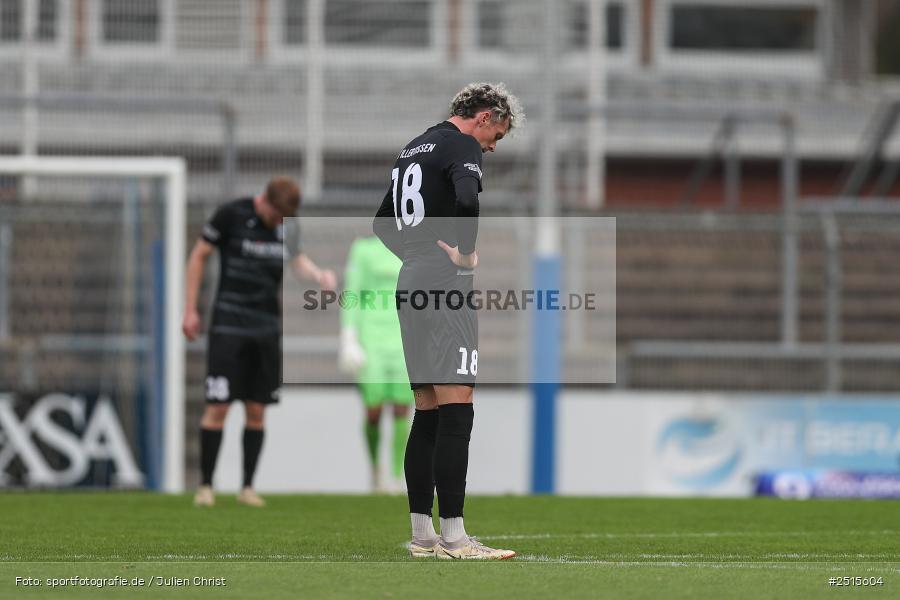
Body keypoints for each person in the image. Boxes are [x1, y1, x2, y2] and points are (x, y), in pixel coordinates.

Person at [373, 82, 523, 559]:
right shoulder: (459, 144)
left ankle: (423, 536)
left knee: (427, 410)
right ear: (484, 115)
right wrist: (464, 255)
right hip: (445, 282)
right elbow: (467, 200)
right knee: (458, 407)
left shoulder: (413, 146)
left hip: (411, 277)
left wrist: (417, 254)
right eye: (496, 134)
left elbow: (382, 223)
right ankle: (456, 539)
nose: (493, 146)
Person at [183, 176, 336, 508]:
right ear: (266, 202)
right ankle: (206, 486)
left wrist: (318, 275)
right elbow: (199, 256)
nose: (280, 223)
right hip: (228, 325)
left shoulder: (286, 227)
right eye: (277, 216)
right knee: (218, 406)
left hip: (266, 328)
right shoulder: (231, 215)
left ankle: (247, 487)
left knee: (256, 410)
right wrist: (190, 309)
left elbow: (297, 260)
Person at [339, 236, 413, 493]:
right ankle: (375, 470)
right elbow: (352, 292)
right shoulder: (363, 250)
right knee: (374, 409)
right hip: (372, 337)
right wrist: (349, 337)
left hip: (404, 337)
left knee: (403, 408)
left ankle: (395, 476)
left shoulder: (414, 247)